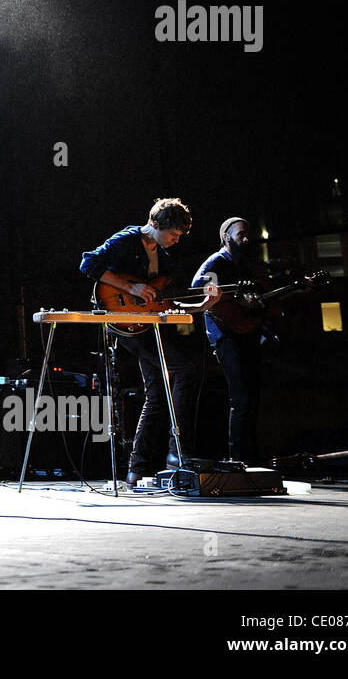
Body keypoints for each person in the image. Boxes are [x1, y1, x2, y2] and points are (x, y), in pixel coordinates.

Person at [80, 198, 218, 487]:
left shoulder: (164, 258)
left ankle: (137, 469)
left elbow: (163, 300)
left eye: (179, 236)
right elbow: (88, 262)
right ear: (155, 224)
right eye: (172, 234)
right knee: (185, 370)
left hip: (146, 324)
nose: (175, 240)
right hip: (124, 324)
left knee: (156, 393)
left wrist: (203, 305)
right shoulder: (127, 240)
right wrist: (131, 287)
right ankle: (177, 451)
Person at [193, 218, 267, 463]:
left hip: (247, 332)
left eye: (248, 235)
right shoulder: (217, 262)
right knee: (241, 397)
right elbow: (199, 284)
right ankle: (238, 458)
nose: (246, 239)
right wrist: (229, 299)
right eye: (241, 235)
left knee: (253, 396)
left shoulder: (245, 265)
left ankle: (251, 455)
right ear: (226, 236)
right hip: (225, 335)